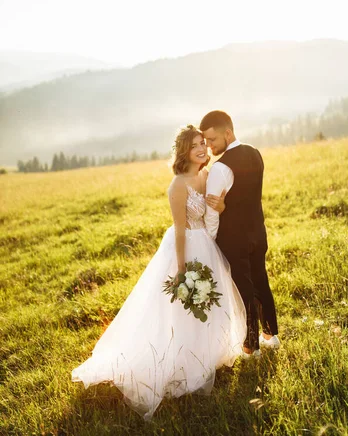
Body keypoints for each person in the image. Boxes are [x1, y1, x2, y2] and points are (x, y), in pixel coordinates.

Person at [71, 125, 246, 420]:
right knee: (183, 308)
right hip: (186, 247)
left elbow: (215, 208)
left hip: (207, 245)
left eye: (204, 143)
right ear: (183, 152)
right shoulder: (177, 186)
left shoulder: (206, 175)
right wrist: (181, 269)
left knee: (210, 303)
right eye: (195, 146)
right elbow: (180, 230)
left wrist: (224, 203)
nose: (202, 149)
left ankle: (206, 355)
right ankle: (181, 362)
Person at [200, 110, 279, 357]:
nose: (209, 146)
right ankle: (271, 335)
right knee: (260, 281)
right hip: (258, 231)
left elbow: (212, 213)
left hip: (234, 237)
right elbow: (249, 194)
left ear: (228, 133)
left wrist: (210, 240)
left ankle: (251, 346)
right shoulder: (255, 153)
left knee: (244, 289)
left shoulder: (220, 168)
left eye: (212, 140)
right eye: (206, 141)